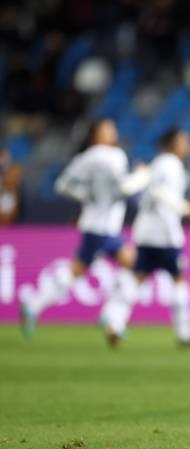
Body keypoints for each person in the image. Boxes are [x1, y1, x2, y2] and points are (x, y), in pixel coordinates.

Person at [19, 119, 141, 342]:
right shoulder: (113, 156)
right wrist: (144, 176)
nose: (113, 132)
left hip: (96, 225)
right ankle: (111, 318)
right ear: (96, 135)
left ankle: (34, 305)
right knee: (134, 266)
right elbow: (125, 188)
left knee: (77, 270)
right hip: (103, 228)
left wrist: (87, 197)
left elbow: (62, 185)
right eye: (108, 129)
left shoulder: (85, 158)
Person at [99, 128, 190, 348]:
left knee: (136, 278)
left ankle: (115, 324)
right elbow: (161, 193)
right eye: (184, 140)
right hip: (165, 235)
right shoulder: (172, 165)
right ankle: (185, 335)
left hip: (145, 233)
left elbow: (146, 188)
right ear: (174, 143)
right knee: (179, 280)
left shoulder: (157, 164)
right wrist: (186, 208)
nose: (188, 145)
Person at [0, 146, 24, 224]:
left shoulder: (15, 170)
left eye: (4, 156)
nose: (3, 160)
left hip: (11, 201)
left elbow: (15, 183)